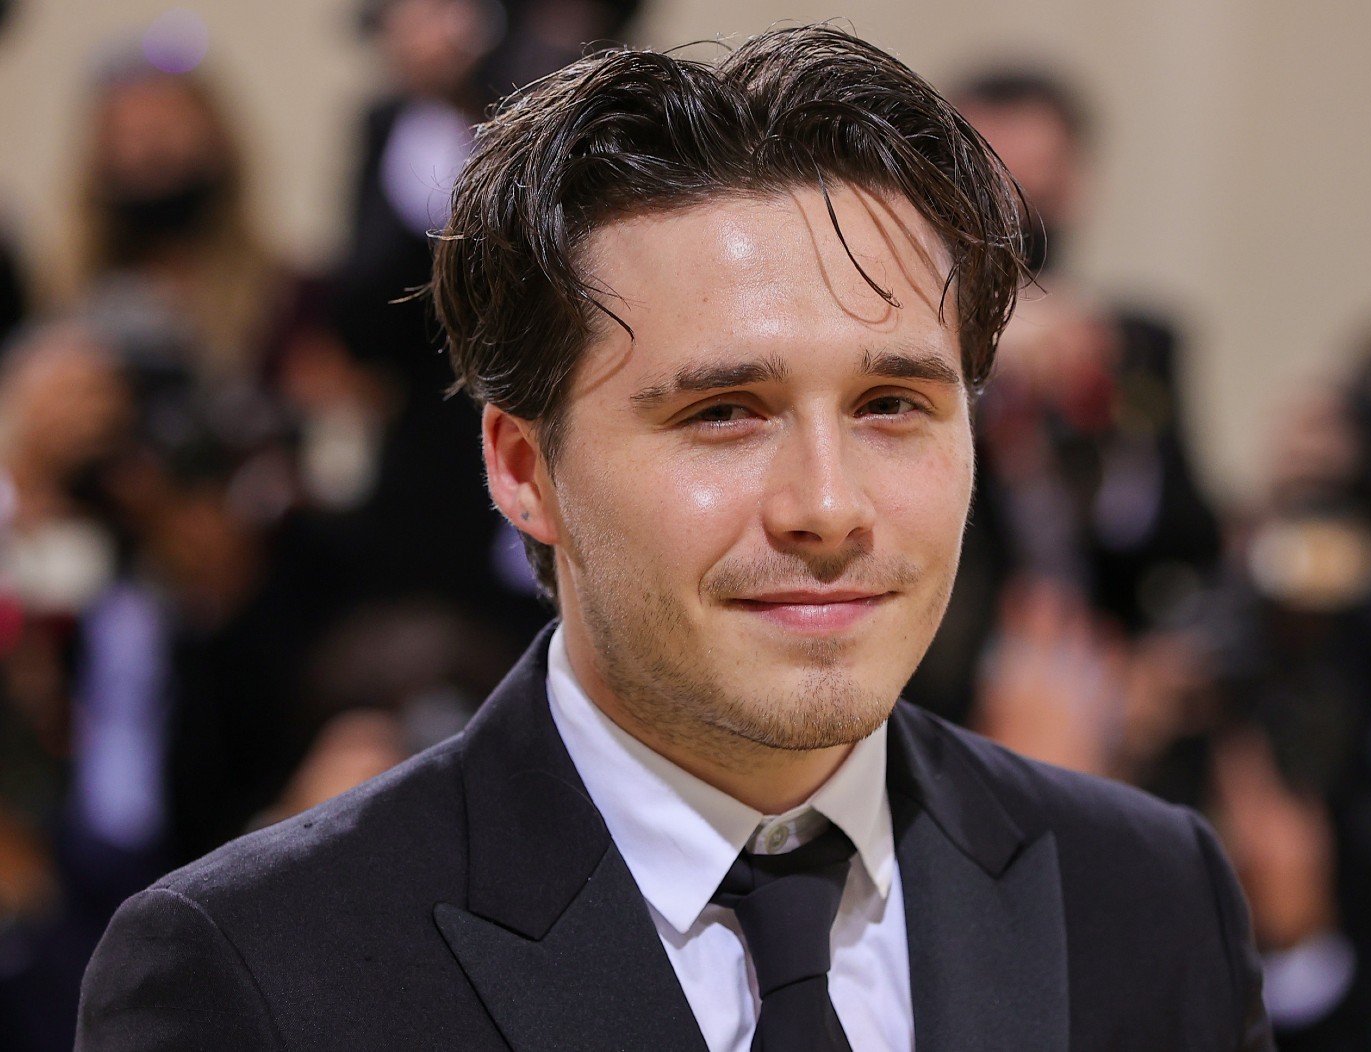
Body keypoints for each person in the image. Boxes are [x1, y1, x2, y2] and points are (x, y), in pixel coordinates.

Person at [76, 25, 1272, 1051]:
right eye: (723, 414)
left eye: (893, 405)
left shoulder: (1152, 895)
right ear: (522, 467)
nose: (828, 504)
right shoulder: (259, 967)